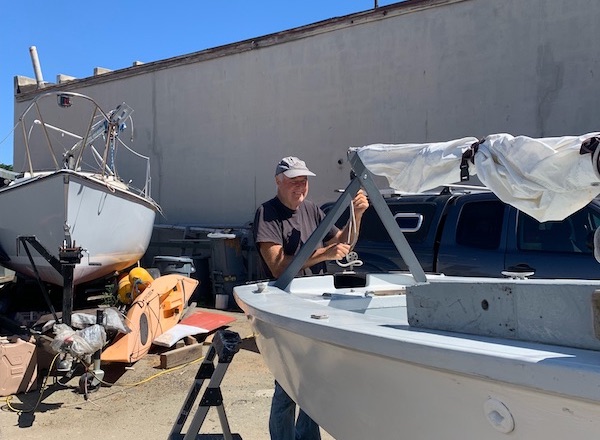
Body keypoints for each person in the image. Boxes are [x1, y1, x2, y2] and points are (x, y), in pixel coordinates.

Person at [253, 156, 369, 440]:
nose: (300, 186)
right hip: (283, 309)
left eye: (303, 181)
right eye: (294, 181)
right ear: (278, 182)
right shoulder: (267, 213)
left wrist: (357, 215)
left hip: (313, 305)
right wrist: (324, 254)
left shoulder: (312, 210)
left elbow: (341, 243)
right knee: (287, 385)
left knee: (313, 383)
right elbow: (278, 266)